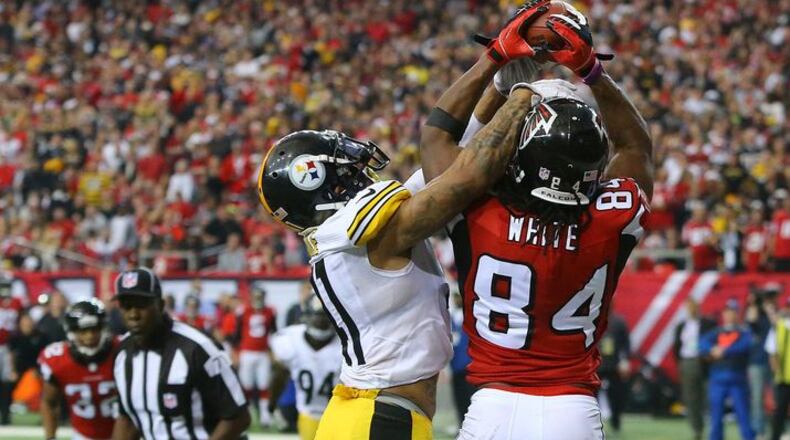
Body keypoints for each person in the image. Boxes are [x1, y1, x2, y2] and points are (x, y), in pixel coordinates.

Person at [256, 21, 534, 437]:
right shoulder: (362, 231)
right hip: (379, 420)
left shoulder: (350, 234)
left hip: (371, 413)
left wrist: (495, 74)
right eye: (339, 166)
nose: (354, 166)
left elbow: (448, 155)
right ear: (315, 183)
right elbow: (467, 177)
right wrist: (528, 95)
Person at [419, 2, 653, 438]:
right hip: (572, 409)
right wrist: (590, 70)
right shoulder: (610, 220)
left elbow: (436, 135)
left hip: (492, 406)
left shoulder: (479, 210)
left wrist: (495, 58)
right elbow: (637, 147)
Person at [111, 267, 250, 440]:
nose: (133, 314)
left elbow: (238, 416)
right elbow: (128, 418)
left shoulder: (197, 348)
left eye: (141, 305)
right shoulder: (122, 354)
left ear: (160, 305)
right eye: (126, 306)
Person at [38, 299, 118, 440]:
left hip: (123, 432)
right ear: (72, 332)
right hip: (82, 435)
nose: (90, 336)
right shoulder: (57, 359)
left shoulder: (121, 351)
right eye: (83, 331)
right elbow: (49, 402)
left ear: (103, 328)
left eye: (95, 329)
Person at [269, 295, 342, 440]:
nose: (320, 321)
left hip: (339, 411)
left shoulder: (345, 344)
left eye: (325, 317)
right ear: (306, 317)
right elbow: (280, 374)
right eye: (317, 316)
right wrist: (274, 404)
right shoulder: (291, 339)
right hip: (307, 413)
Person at [700, 300, 755, 440]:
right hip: (718, 378)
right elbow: (701, 343)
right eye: (727, 312)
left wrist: (724, 351)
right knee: (716, 417)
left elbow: (746, 345)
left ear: (737, 314)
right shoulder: (717, 332)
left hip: (737, 378)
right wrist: (712, 349)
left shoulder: (743, 332)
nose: (729, 315)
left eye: (732, 312)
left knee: (743, 415)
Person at [673, 298, 716, 440]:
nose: (691, 310)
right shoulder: (681, 326)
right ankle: (697, 429)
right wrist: (680, 363)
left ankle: (713, 428)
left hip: (704, 363)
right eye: (688, 307)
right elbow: (677, 347)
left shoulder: (708, 324)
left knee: (708, 396)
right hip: (687, 362)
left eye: (693, 307)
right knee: (691, 398)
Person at [237, 287, 277, 427]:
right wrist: (236, 351)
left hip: (263, 353)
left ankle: (265, 416)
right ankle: (245, 415)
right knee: (246, 385)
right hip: (247, 352)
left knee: (264, 385)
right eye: (256, 297)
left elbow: (273, 331)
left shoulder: (270, 312)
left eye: (260, 297)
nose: (258, 300)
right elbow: (237, 333)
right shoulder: (244, 311)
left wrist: (273, 351)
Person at [745, 288, 776, 438]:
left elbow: (776, 323)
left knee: (776, 397)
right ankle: (759, 431)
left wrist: (768, 307)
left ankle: (776, 429)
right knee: (757, 398)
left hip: (773, 361)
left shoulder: (770, 314)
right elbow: (751, 320)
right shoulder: (754, 313)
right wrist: (754, 304)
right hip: (756, 362)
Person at [597, 312, 631, 433]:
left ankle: (616, 423)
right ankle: (593, 423)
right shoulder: (594, 317)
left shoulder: (618, 322)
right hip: (597, 365)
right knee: (591, 396)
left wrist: (624, 361)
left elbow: (626, 344)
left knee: (616, 396)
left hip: (614, 365)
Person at [764, 297, 790, 440]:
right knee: (779, 413)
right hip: (783, 378)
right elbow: (772, 351)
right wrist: (777, 371)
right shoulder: (778, 326)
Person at [0, 272, 23, 425]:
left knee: (7, 382)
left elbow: (20, 324)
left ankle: (6, 414)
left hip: (8, 346)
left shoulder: (17, 303)